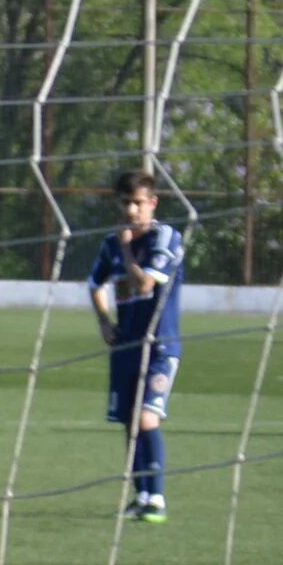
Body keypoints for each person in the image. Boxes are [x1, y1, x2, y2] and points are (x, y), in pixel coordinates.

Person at [87, 167, 182, 524]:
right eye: (126, 203)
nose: (131, 211)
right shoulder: (110, 244)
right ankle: (141, 494)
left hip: (159, 347)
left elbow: (143, 285)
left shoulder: (165, 238)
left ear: (152, 203)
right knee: (129, 422)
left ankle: (157, 496)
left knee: (146, 418)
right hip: (126, 346)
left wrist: (127, 249)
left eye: (138, 203)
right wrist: (103, 321)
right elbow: (94, 284)